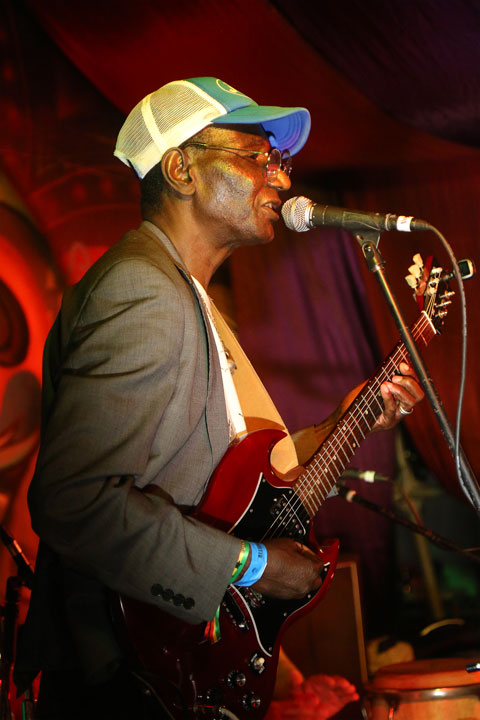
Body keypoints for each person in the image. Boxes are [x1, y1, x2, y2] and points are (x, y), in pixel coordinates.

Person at [15, 77, 424, 719]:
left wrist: (347, 423)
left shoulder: (185, 296)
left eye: (279, 163)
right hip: (131, 677)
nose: (283, 182)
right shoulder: (143, 292)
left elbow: (231, 481)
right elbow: (73, 502)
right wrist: (255, 566)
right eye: (258, 158)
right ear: (180, 168)